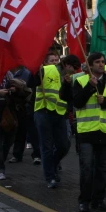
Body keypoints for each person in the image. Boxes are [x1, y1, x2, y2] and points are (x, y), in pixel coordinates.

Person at [73, 52, 106, 212]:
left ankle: (98, 199)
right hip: (87, 132)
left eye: (103, 62)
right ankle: (84, 200)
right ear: (90, 65)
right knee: (87, 168)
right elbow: (76, 102)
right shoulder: (81, 81)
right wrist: (90, 87)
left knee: (103, 169)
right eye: (97, 62)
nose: (101, 64)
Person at [33, 54, 79, 189]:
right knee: (46, 146)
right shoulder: (47, 70)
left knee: (64, 145)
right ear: (67, 65)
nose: (75, 71)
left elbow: (69, 98)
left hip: (60, 113)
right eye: (74, 68)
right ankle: (50, 177)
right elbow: (32, 81)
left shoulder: (70, 78)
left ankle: (51, 166)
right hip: (43, 111)